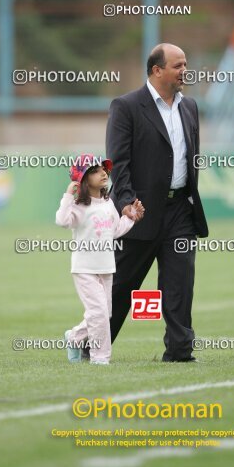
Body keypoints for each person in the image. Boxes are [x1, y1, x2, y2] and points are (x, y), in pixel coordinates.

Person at [106, 43, 209, 363]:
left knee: (180, 283)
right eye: (178, 65)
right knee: (121, 288)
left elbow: (191, 158)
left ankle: (179, 351)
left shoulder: (189, 106)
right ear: (157, 70)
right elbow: (118, 162)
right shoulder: (126, 106)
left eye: (186, 64)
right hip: (138, 211)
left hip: (179, 209)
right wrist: (125, 203)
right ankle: (90, 344)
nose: (184, 71)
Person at [55, 153, 144, 365]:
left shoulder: (108, 202)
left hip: (106, 268)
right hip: (84, 268)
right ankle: (100, 358)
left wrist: (130, 217)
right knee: (99, 314)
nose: (103, 173)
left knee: (104, 313)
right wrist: (68, 195)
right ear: (83, 180)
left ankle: (74, 337)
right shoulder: (77, 205)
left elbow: (114, 230)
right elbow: (62, 221)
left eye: (103, 169)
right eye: (95, 171)